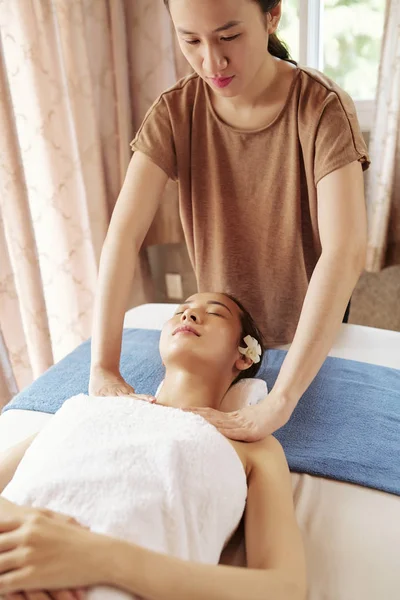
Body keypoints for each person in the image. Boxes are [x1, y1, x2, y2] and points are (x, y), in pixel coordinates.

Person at [89, 0, 369, 441]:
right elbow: (123, 237)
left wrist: (281, 400)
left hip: (310, 331)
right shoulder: (175, 111)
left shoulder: (321, 108)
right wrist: (103, 366)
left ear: (272, 15)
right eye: (191, 40)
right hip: (223, 332)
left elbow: (346, 249)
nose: (211, 61)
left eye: (229, 36)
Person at [0, 293, 306, 600]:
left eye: (215, 313)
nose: (189, 316)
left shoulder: (253, 448)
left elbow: (285, 588)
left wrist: (100, 557)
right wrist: (28, 529)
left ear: (244, 355)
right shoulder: (84, 408)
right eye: (180, 311)